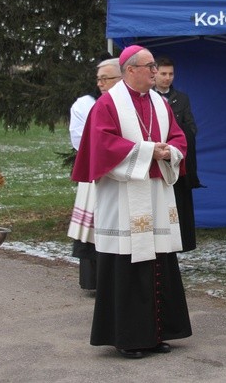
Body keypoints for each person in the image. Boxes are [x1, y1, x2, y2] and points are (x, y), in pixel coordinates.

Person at [71, 45, 192, 359]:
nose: (155, 71)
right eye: (150, 66)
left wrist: (169, 152)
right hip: (123, 195)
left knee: (158, 261)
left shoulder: (160, 102)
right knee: (126, 264)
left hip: (155, 191)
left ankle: (156, 333)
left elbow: (178, 136)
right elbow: (103, 144)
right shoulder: (108, 104)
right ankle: (128, 337)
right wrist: (149, 151)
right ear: (130, 70)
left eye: (155, 66)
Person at [67, 58, 122, 294]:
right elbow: (80, 139)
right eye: (98, 79)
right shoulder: (85, 104)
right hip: (96, 168)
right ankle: (95, 281)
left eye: (105, 79)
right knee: (94, 228)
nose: (100, 84)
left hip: (127, 169)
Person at [153, 56, 201, 251]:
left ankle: (179, 241)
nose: (167, 78)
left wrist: (174, 139)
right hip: (155, 159)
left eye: (170, 74)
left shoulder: (181, 98)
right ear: (154, 73)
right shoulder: (148, 97)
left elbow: (191, 128)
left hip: (174, 158)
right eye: (163, 73)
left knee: (178, 203)